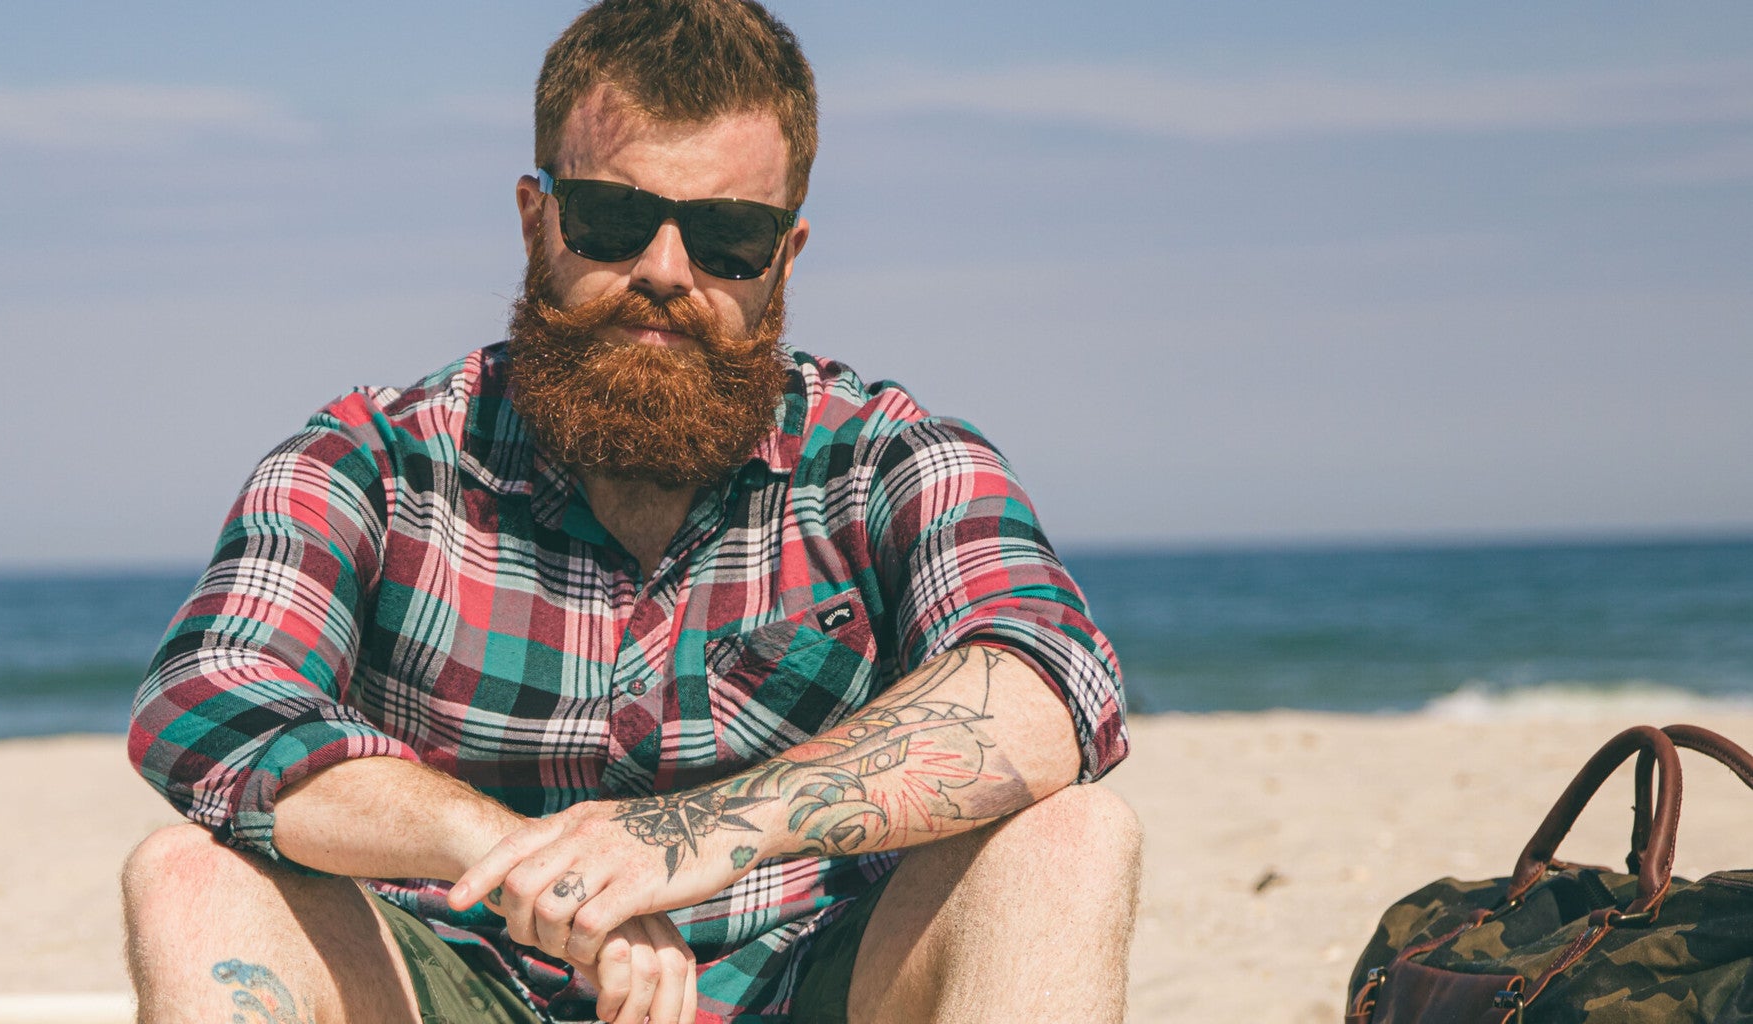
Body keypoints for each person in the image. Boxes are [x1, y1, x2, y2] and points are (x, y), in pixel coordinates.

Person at [123, 2, 1138, 1021]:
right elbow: (208, 698)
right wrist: (524, 858)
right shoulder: (376, 465)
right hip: (457, 981)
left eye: (727, 236)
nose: (662, 270)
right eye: (611, 218)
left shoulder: (884, 462)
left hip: (806, 988)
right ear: (536, 220)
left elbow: (1048, 679)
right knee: (188, 876)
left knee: (1070, 840)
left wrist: (686, 836)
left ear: (783, 257)